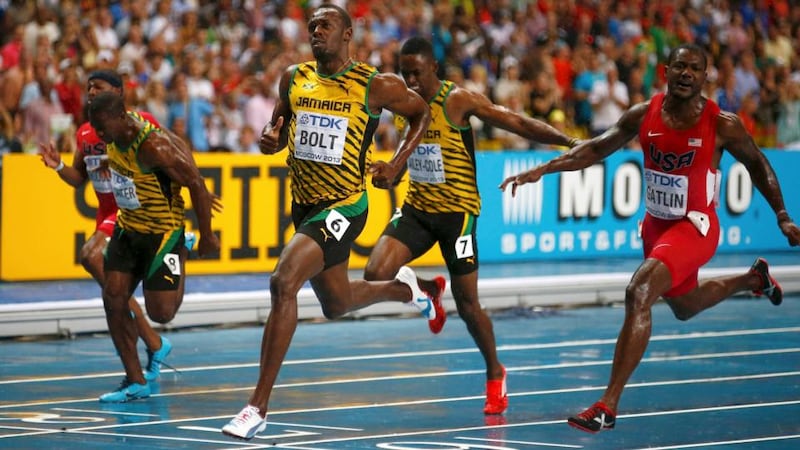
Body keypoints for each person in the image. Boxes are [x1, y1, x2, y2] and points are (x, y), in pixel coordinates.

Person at [500, 43, 800, 433]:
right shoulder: (643, 114)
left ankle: (607, 406)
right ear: (666, 71)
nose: (687, 73)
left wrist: (782, 215)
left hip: (695, 227)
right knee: (685, 306)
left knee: (638, 291)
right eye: (680, 66)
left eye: (695, 68)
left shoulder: (722, 123)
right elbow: (595, 149)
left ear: (706, 76)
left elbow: (759, 166)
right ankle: (753, 279)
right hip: (656, 226)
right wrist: (544, 168)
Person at [221, 4, 434, 440]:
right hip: (304, 204)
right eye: (312, 25)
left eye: (326, 25)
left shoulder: (376, 85)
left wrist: (398, 163)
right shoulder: (294, 78)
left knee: (283, 282)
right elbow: (276, 137)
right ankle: (409, 288)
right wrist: (270, 141)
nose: (316, 31)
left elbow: (422, 113)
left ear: (348, 34)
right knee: (336, 304)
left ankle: (256, 407)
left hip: (345, 206)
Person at [362, 36, 579, 416]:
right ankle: (427, 290)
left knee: (467, 305)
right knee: (375, 272)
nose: (410, 80)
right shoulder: (400, 102)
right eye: (404, 72)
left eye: (416, 72)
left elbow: (514, 121)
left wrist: (568, 141)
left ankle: (495, 372)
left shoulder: (457, 100)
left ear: (434, 68)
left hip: (457, 216)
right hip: (418, 208)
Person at [38, 70, 193, 392]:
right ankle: (152, 346)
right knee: (113, 292)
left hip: (134, 213)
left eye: (99, 87)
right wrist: (56, 166)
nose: (91, 92)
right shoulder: (85, 133)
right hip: (107, 214)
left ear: (119, 93)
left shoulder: (141, 121)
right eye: (88, 88)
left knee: (92, 257)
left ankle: (154, 336)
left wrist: (194, 186)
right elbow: (79, 177)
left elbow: (177, 151)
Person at [85, 90, 220, 403]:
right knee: (113, 298)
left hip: (162, 234)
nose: (99, 133)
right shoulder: (112, 134)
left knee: (162, 314)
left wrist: (207, 236)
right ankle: (136, 381)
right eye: (95, 127)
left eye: (103, 126)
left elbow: (196, 183)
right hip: (128, 228)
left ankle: (182, 251)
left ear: (122, 117)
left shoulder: (153, 146)